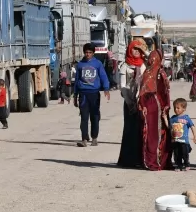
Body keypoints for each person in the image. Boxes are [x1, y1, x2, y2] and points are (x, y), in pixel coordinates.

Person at [137, 49, 172, 171]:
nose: (151, 59)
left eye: (153, 57)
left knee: (154, 133)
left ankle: (155, 161)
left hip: (154, 106)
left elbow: (163, 91)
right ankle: (153, 161)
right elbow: (163, 92)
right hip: (152, 106)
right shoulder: (153, 72)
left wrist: (164, 107)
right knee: (152, 134)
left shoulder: (154, 72)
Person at [117, 39, 148, 168]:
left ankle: (140, 160)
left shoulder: (143, 65)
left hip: (141, 103)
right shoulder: (125, 66)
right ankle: (127, 160)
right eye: (134, 49)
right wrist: (130, 103)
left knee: (140, 131)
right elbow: (123, 87)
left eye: (138, 49)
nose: (136, 52)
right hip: (129, 103)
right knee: (129, 130)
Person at [73, 43, 110, 147]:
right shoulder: (80, 64)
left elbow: (103, 76)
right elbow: (76, 81)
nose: (87, 54)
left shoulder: (98, 64)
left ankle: (94, 138)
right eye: (86, 52)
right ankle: (84, 139)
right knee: (84, 117)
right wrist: (75, 95)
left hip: (94, 94)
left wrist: (106, 88)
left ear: (93, 53)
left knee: (94, 116)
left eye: (90, 52)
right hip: (83, 94)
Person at [167, 98, 196, 172]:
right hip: (175, 140)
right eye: (175, 108)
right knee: (177, 154)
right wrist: (165, 118)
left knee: (185, 153)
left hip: (184, 141)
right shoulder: (173, 118)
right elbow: (169, 126)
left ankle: (186, 163)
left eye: (178, 108)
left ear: (184, 109)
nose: (176, 109)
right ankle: (178, 165)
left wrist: (195, 136)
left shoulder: (186, 118)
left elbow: (192, 126)